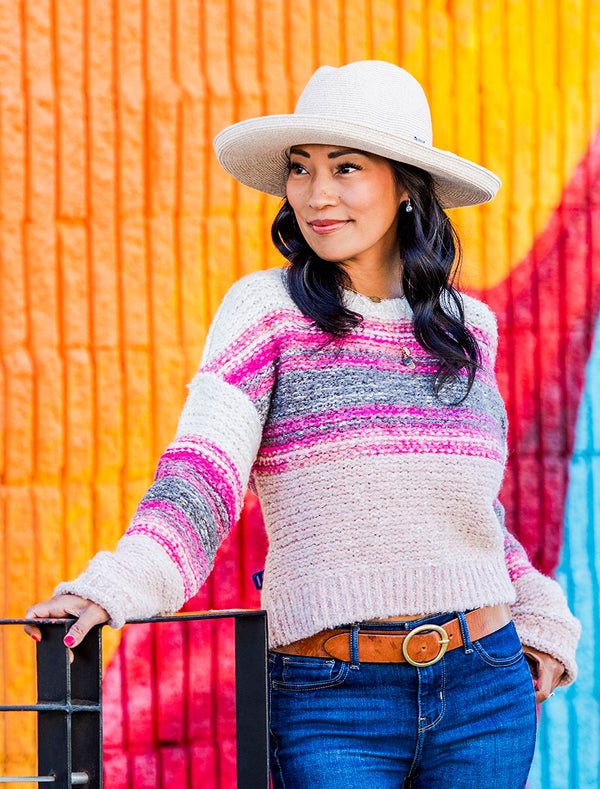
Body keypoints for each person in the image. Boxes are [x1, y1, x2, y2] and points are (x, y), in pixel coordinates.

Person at [26, 61, 580, 788]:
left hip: (486, 690)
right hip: (330, 700)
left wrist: (541, 618)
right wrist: (114, 587)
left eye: (346, 167)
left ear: (407, 185)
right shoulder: (267, 312)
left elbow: (466, 512)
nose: (317, 194)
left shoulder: (466, 327)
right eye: (302, 168)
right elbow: (202, 475)